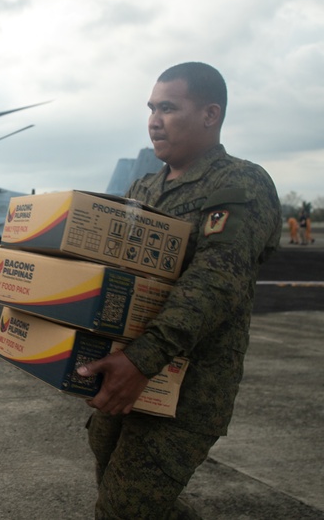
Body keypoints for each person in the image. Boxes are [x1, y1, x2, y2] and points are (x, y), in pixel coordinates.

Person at [77, 62, 281, 519]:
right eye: (151, 108)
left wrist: (143, 358)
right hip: (128, 373)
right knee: (125, 490)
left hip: (186, 386)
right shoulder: (144, 187)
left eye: (168, 108)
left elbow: (216, 281)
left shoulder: (240, 182)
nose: (154, 119)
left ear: (211, 114)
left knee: (124, 508)